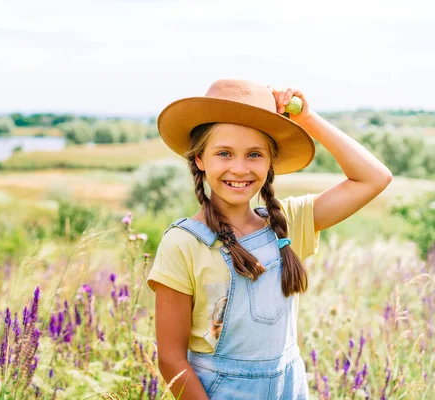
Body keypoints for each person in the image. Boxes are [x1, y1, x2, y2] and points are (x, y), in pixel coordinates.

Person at [146, 79, 392, 399]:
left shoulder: (287, 224)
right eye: (224, 153)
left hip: (289, 389)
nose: (239, 168)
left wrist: (307, 118)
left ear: (270, 163)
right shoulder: (184, 243)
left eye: (254, 154)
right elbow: (171, 360)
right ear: (199, 159)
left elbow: (374, 177)